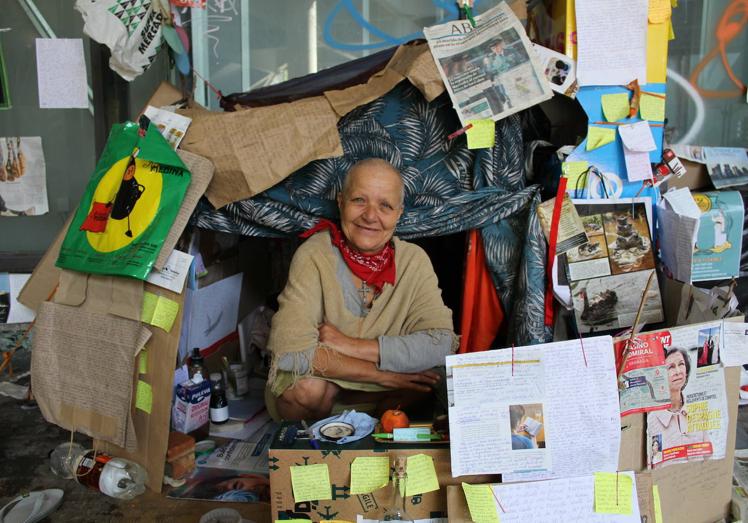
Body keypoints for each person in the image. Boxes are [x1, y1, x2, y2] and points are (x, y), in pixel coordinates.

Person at [266, 158, 457, 421]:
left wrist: (347, 345)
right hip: (329, 391)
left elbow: (440, 344)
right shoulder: (314, 254)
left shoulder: (414, 260)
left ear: (399, 213)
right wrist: (384, 375)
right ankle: (316, 455)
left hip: (389, 395)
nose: (370, 216)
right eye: (359, 200)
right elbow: (291, 354)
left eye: (385, 206)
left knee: (432, 382)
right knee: (304, 389)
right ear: (341, 202)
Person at [646, 347, 709, 466]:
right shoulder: (652, 418)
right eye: (671, 367)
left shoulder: (697, 412)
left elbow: (709, 457)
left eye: (681, 364)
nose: (678, 371)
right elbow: (650, 465)